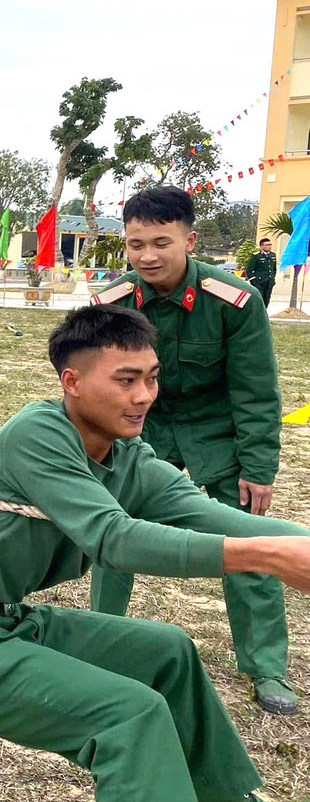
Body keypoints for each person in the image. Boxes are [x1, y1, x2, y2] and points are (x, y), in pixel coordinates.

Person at [0, 304, 310, 802]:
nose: (144, 395)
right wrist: (268, 558)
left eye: (151, 377)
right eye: (125, 380)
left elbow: (213, 518)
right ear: (71, 381)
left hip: (7, 623)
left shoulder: (126, 457)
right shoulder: (37, 434)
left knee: (167, 651)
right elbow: (114, 539)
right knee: (131, 716)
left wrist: (296, 542)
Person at [88, 187, 295, 714]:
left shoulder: (235, 301)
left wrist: (258, 466)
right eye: (136, 245)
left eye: (161, 242)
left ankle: (266, 666)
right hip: (143, 428)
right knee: (113, 536)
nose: (148, 256)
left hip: (218, 430)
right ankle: (101, 646)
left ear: (190, 238)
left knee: (247, 539)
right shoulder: (111, 303)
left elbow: (256, 389)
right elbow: (97, 387)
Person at [247, 237, 278, 310]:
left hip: (269, 282)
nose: (269, 246)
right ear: (261, 246)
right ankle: (257, 315)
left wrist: (272, 279)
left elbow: (273, 269)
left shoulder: (272, 255)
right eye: (267, 245)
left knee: (266, 300)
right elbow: (249, 270)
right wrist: (254, 282)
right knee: (259, 300)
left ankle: (264, 315)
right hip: (259, 283)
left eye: (270, 245)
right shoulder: (256, 256)